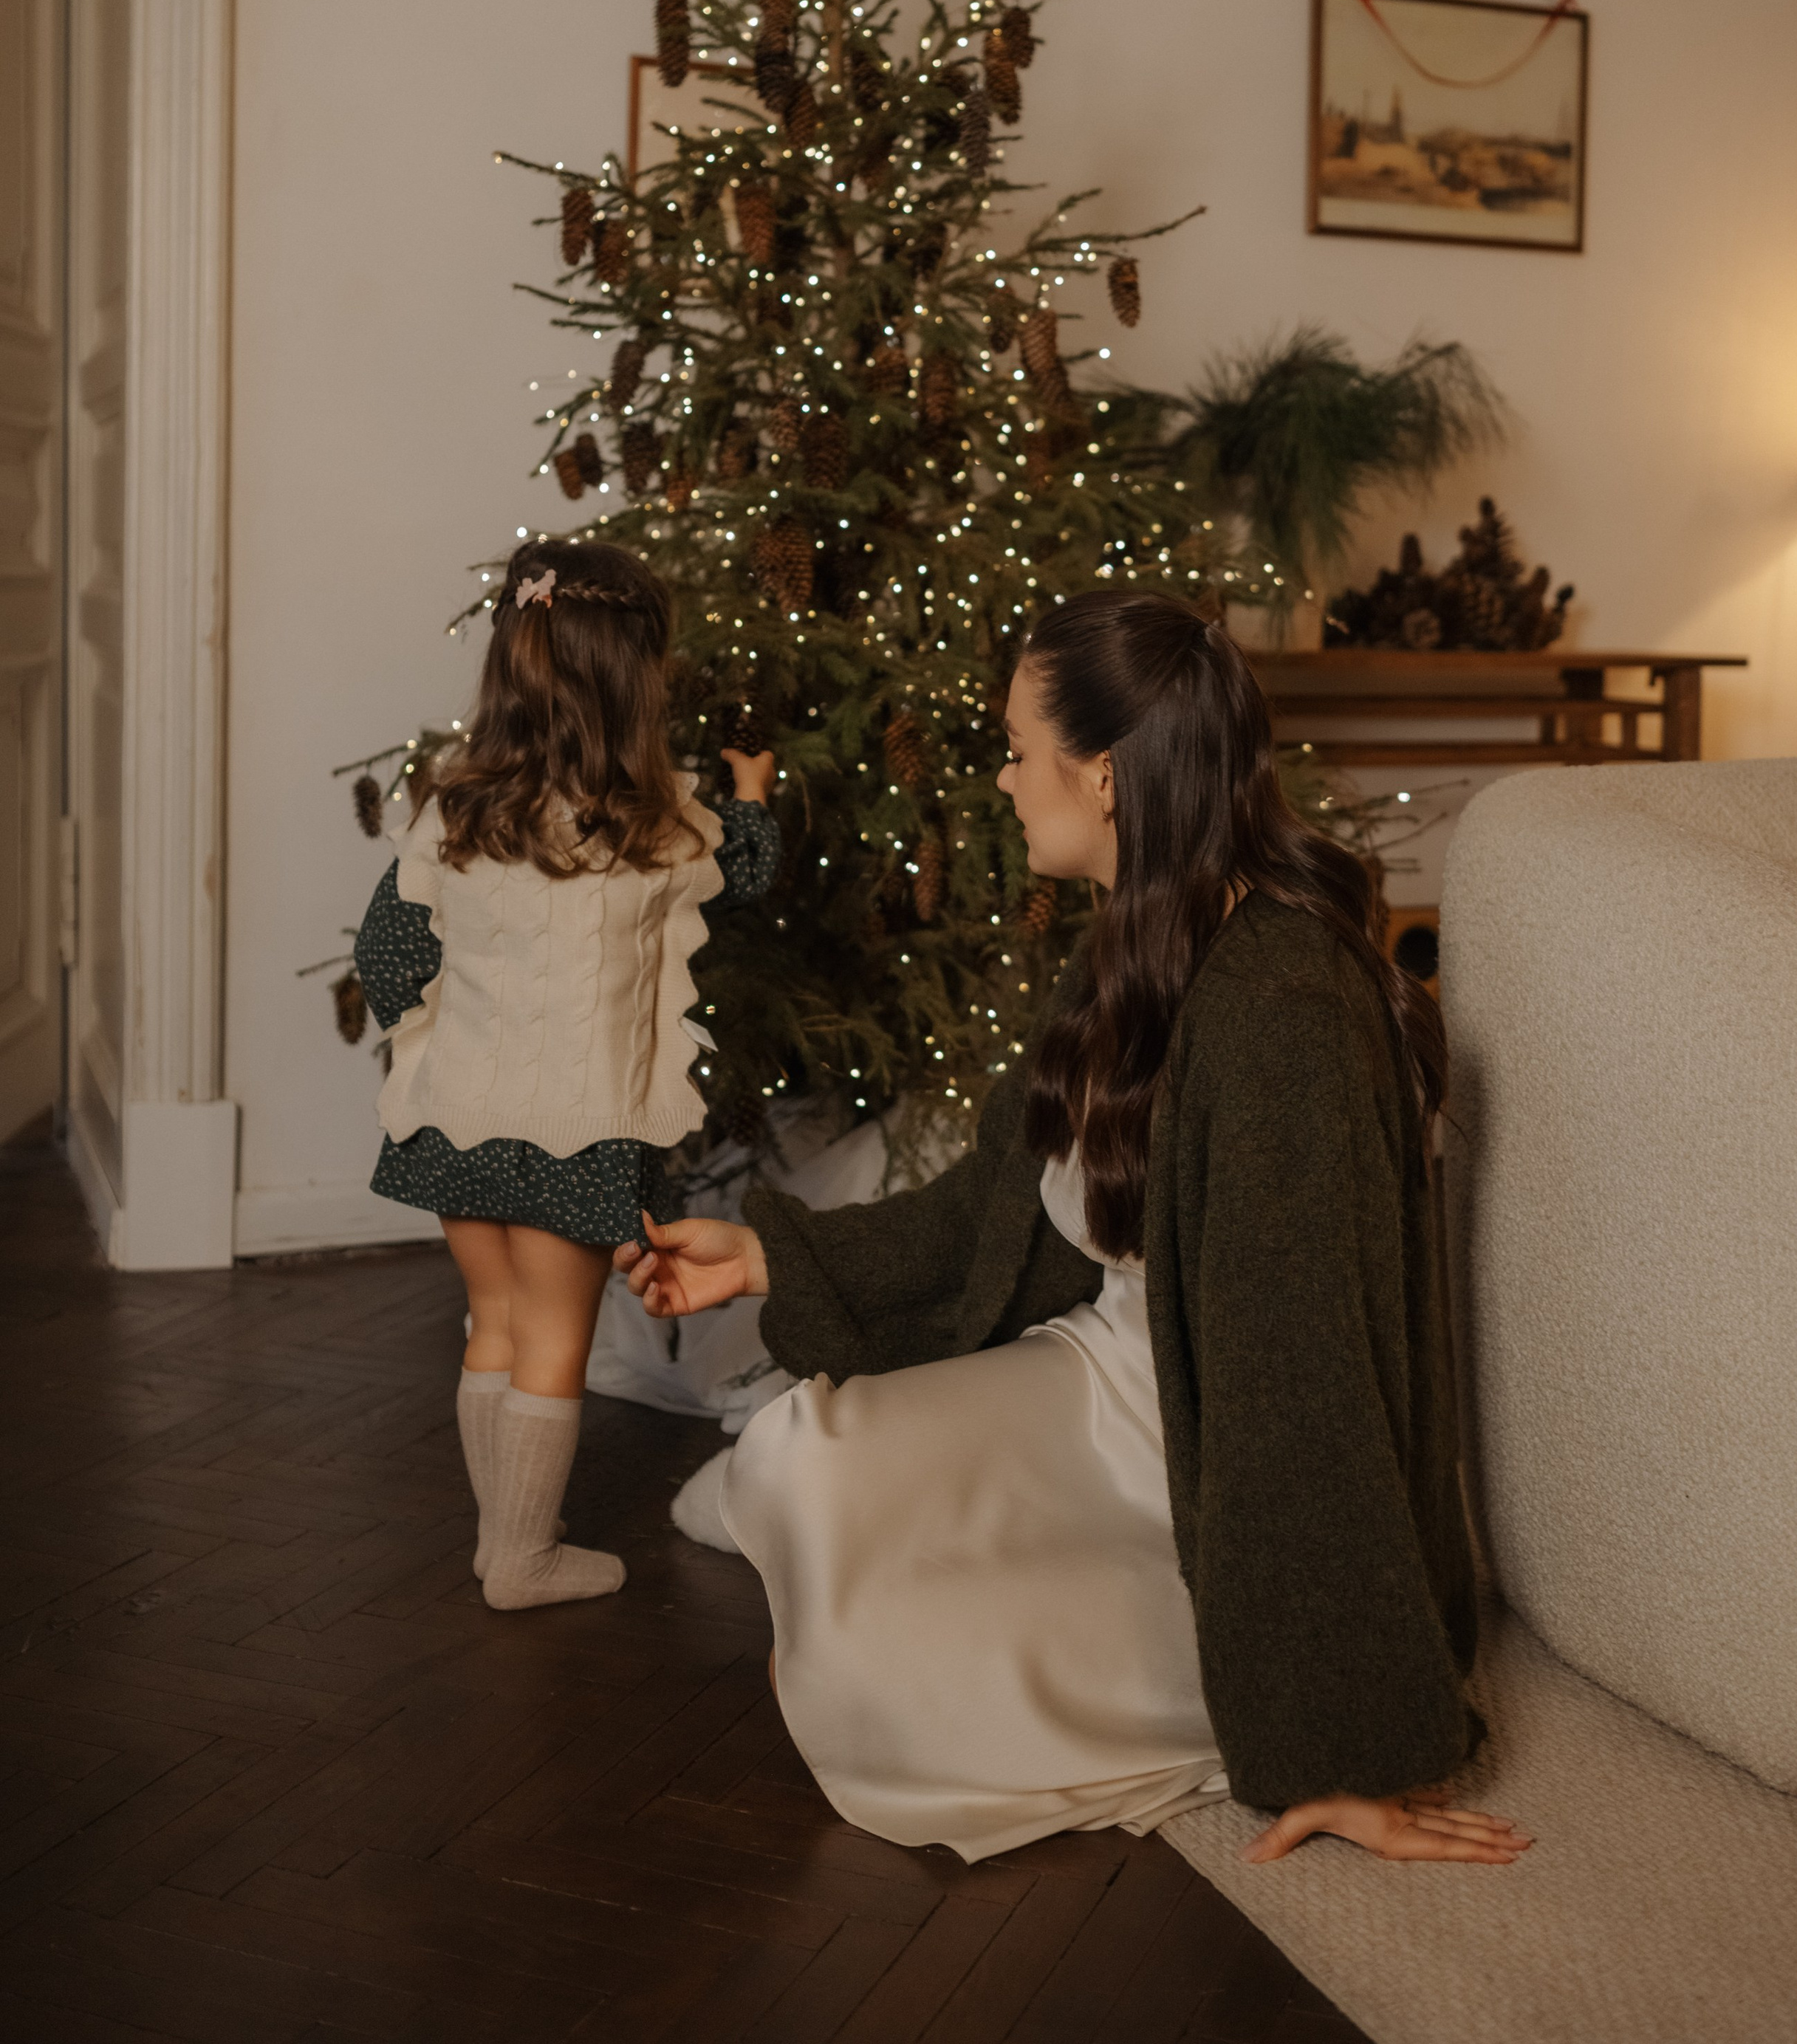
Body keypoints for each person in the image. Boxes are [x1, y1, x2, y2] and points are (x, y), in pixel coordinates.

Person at [619, 588, 1530, 1870]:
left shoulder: (1281, 1011)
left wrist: (1344, 1751)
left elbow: (1299, 1388)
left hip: (1205, 1451)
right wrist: (772, 1257)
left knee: (886, 1655)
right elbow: (1009, 1194)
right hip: (1106, 1374)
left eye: (1012, 747)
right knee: (799, 1457)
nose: (997, 778)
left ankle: (1214, 1679)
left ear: (1103, 775)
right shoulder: (1141, 944)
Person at [353, 538, 778, 1611]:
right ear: (637, 682)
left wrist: (454, 1034)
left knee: (492, 1326)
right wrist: (754, 790)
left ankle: (500, 1545)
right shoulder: (666, 829)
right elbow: (755, 869)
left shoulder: (451, 813)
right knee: (554, 1341)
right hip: (577, 1134)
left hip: (448, 1118)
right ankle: (525, 1558)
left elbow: (390, 961)